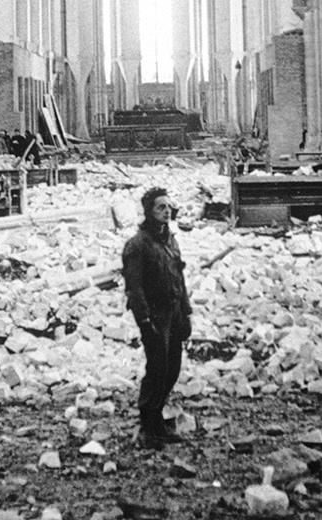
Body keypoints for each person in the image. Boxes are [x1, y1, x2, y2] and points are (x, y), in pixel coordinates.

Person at [121, 186, 192, 450]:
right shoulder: (138, 245)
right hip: (155, 316)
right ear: (149, 212)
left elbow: (179, 277)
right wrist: (145, 322)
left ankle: (157, 418)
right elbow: (135, 288)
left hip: (174, 312)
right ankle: (148, 425)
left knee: (172, 368)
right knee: (157, 368)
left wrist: (186, 313)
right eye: (160, 207)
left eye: (169, 207)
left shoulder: (170, 241)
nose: (166, 211)